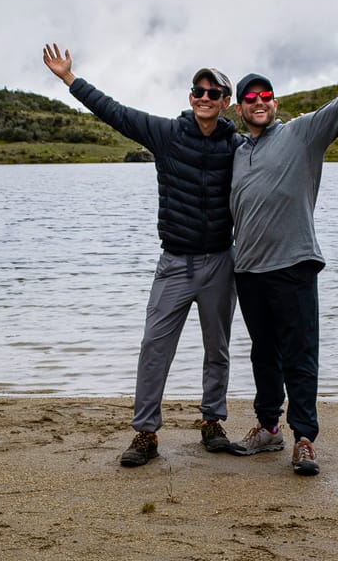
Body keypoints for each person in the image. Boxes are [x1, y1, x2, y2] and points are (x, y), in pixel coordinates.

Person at [42, 44, 245, 467]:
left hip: (220, 262)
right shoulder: (166, 134)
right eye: (198, 91)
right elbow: (114, 112)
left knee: (218, 349)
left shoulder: (238, 146)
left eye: (213, 92)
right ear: (190, 98)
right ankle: (146, 433)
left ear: (226, 102)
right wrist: (69, 79)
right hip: (174, 263)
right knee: (154, 346)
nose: (204, 98)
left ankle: (212, 423)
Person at [229, 26, 338, 475]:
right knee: (263, 354)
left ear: (275, 102)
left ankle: (304, 438)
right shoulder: (236, 152)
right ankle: (269, 429)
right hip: (247, 271)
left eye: (266, 95)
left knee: (300, 354)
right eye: (251, 98)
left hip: (295, 265)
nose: (260, 101)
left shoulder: (304, 134)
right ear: (241, 108)